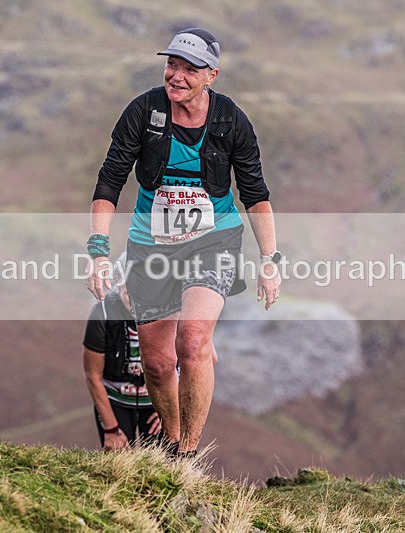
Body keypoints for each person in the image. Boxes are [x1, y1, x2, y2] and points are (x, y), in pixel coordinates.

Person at [85, 28, 282, 456]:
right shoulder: (143, 111)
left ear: (211, 75)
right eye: (172, 65)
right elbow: (110, 181)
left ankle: (188, 453)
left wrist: (270, 260)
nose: (176, 76)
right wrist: (98, 251)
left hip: (213, 241)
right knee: (156, 364)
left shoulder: (231, 121)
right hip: (151, 247)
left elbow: (255, 194)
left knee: (191, 342)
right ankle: (172, 441)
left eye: (189, 69)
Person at [83, 253, 162, 451]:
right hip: (115, 399)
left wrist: (174, 410)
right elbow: (93, 376)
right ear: (118, 287)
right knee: (118, 461)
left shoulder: (172, 309)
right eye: (129, 293)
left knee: (161, 466)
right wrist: (111, 429)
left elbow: (203, 358)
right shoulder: (102, 313)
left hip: (158, 400)